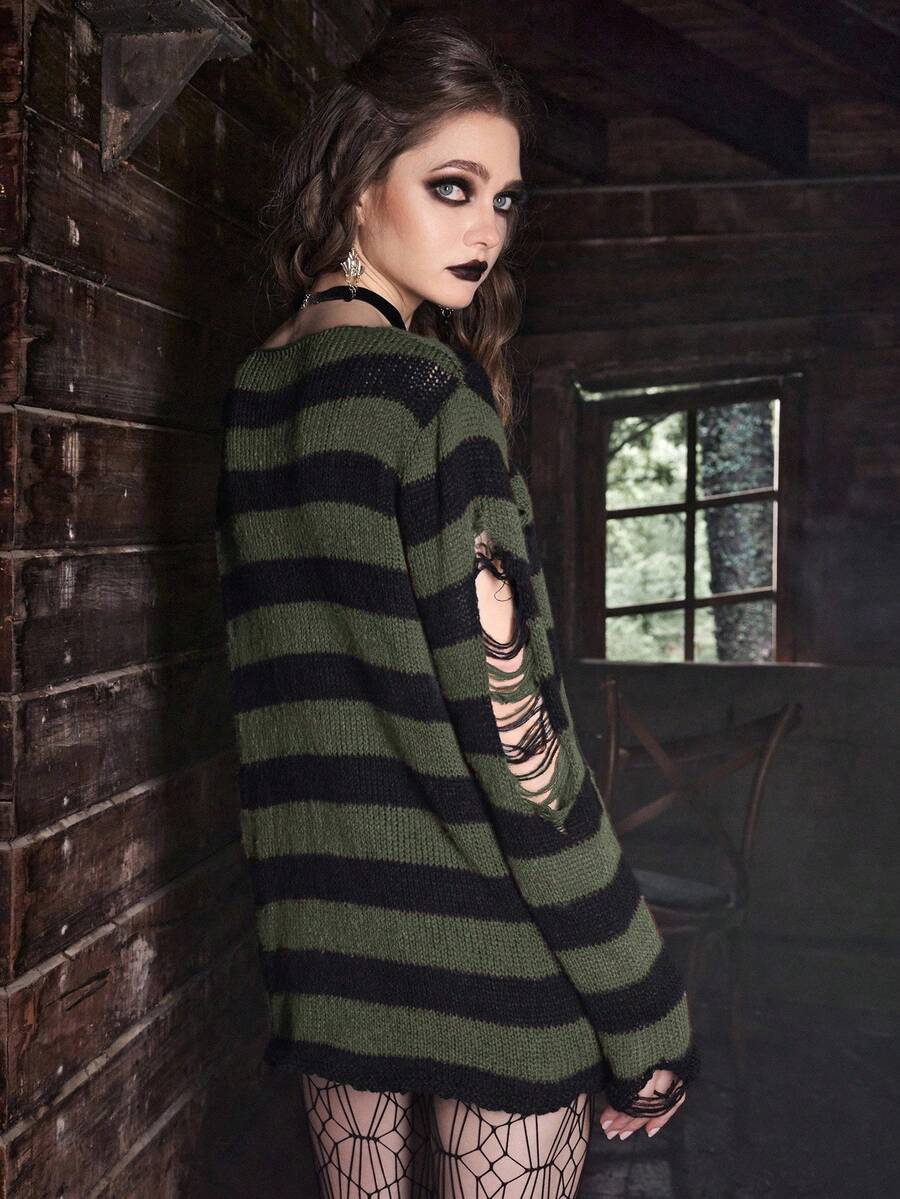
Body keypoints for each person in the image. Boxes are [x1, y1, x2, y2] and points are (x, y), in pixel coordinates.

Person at [215, 14, 699, 1198]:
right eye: (452, 186)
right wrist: (644, 1008)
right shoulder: (433, 404)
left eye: (504, 199)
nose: (486, 228)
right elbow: (523, 754)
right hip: (491, 968)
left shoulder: (255, 394)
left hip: (331, 963)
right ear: (355, 181)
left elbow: (280, 706)